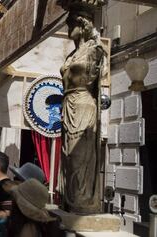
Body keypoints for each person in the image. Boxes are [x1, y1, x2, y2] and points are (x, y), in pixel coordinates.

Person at [60, 9, 107, 214]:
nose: (69, 27)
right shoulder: (72, 54)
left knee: (80, 154)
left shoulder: (95, 49)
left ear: (84, 24)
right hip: (68, 102)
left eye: (72, 23)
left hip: (83, 103)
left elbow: (96, 80)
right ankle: (71, 199)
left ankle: (82, 198)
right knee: (68, 155)